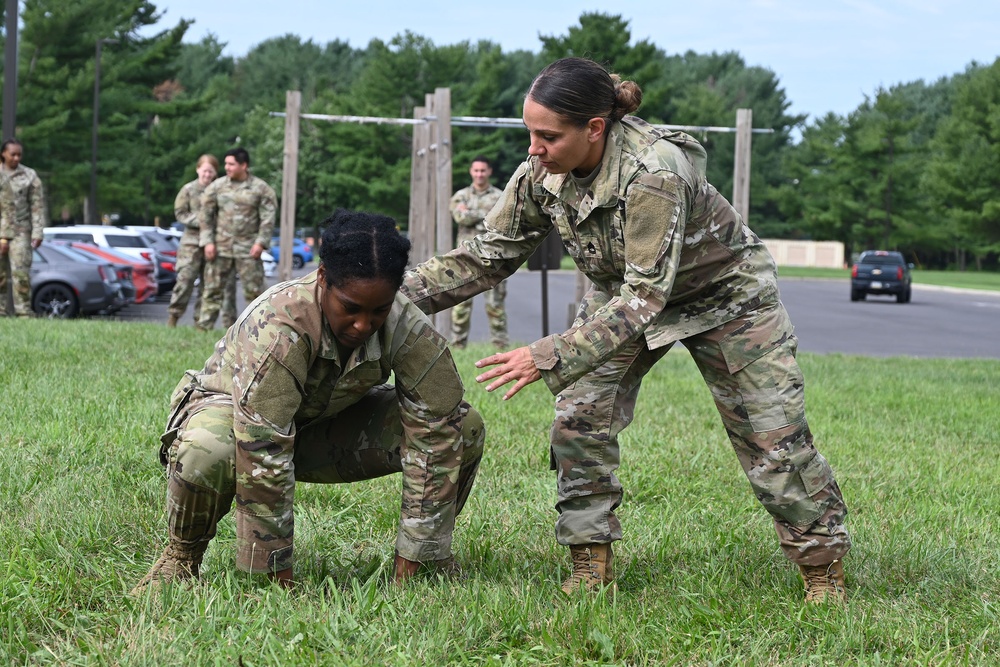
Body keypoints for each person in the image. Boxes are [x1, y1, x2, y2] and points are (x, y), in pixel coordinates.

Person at [402, 57, 851, 603]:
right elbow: (485, 256)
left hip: (727, 300)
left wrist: (549, 354)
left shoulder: (653, 173)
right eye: (529, 133)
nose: (533, 150)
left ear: (595, 128)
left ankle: (821, 565)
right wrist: (385, 295)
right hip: (623, 296)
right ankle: (590, 559)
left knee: (772, 437)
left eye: (548, 136)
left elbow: (647, 297)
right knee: (579, 418)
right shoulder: (541, 173)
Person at [133, 209, 485, 592]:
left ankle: (430, 560)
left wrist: (414, 562)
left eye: (378, 310)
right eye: (350, 307)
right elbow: (263, 447)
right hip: (239, 425)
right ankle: (181, 558)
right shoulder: (280, 327)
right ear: (322, 281)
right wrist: (277, 579)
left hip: (318, 426)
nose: (364, 325)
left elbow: (436, 425)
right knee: (206, 450)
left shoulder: (406, 324)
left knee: (462, 426)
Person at [196, 147, 277, 331]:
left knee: (255, 292)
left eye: (231, 164)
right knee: (212, 291)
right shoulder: (217, 187)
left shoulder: (261, 189)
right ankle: (203, 329)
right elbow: (205, 215)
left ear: (244, 165)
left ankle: (259, 331)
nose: (227, 167)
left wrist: (260, 242)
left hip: (248, 249)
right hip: (221, 247)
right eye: (226, 164)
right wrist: (207, 242)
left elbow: (268, 218)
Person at [448, 156, 508, 350]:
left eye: (483, 171)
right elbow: (460, 217)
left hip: (493, 258)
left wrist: (472, 213)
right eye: (476, 170)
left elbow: (502, 220)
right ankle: (458, 348)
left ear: (489, 171)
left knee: (495, 306)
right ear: (471, 172)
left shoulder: (501, 195)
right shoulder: (461, 195)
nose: (479, 174)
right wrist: (486, 214)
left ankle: (500, 348)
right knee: (460, 306)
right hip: (465, 258)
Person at [166, 154, 218, 327]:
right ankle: (174, 317)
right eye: (205, 171)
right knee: (185, 280)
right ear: (198, 169)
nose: (207, 175)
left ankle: (200, 323)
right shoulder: (188, 190)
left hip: (213, 242)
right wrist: (199, 220)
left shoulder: (219, 190)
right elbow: (180, 213)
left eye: (211, 171)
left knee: (208, 285)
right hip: (191, 242)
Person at [0, 139, 46, 318]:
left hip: (21, 231)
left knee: (21, 273)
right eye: (13, 154)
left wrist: (38, 231)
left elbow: (37, 206)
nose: (16, 158)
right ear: (3, 154)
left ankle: (23, 311)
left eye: (19, 154)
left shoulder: (29, 175)